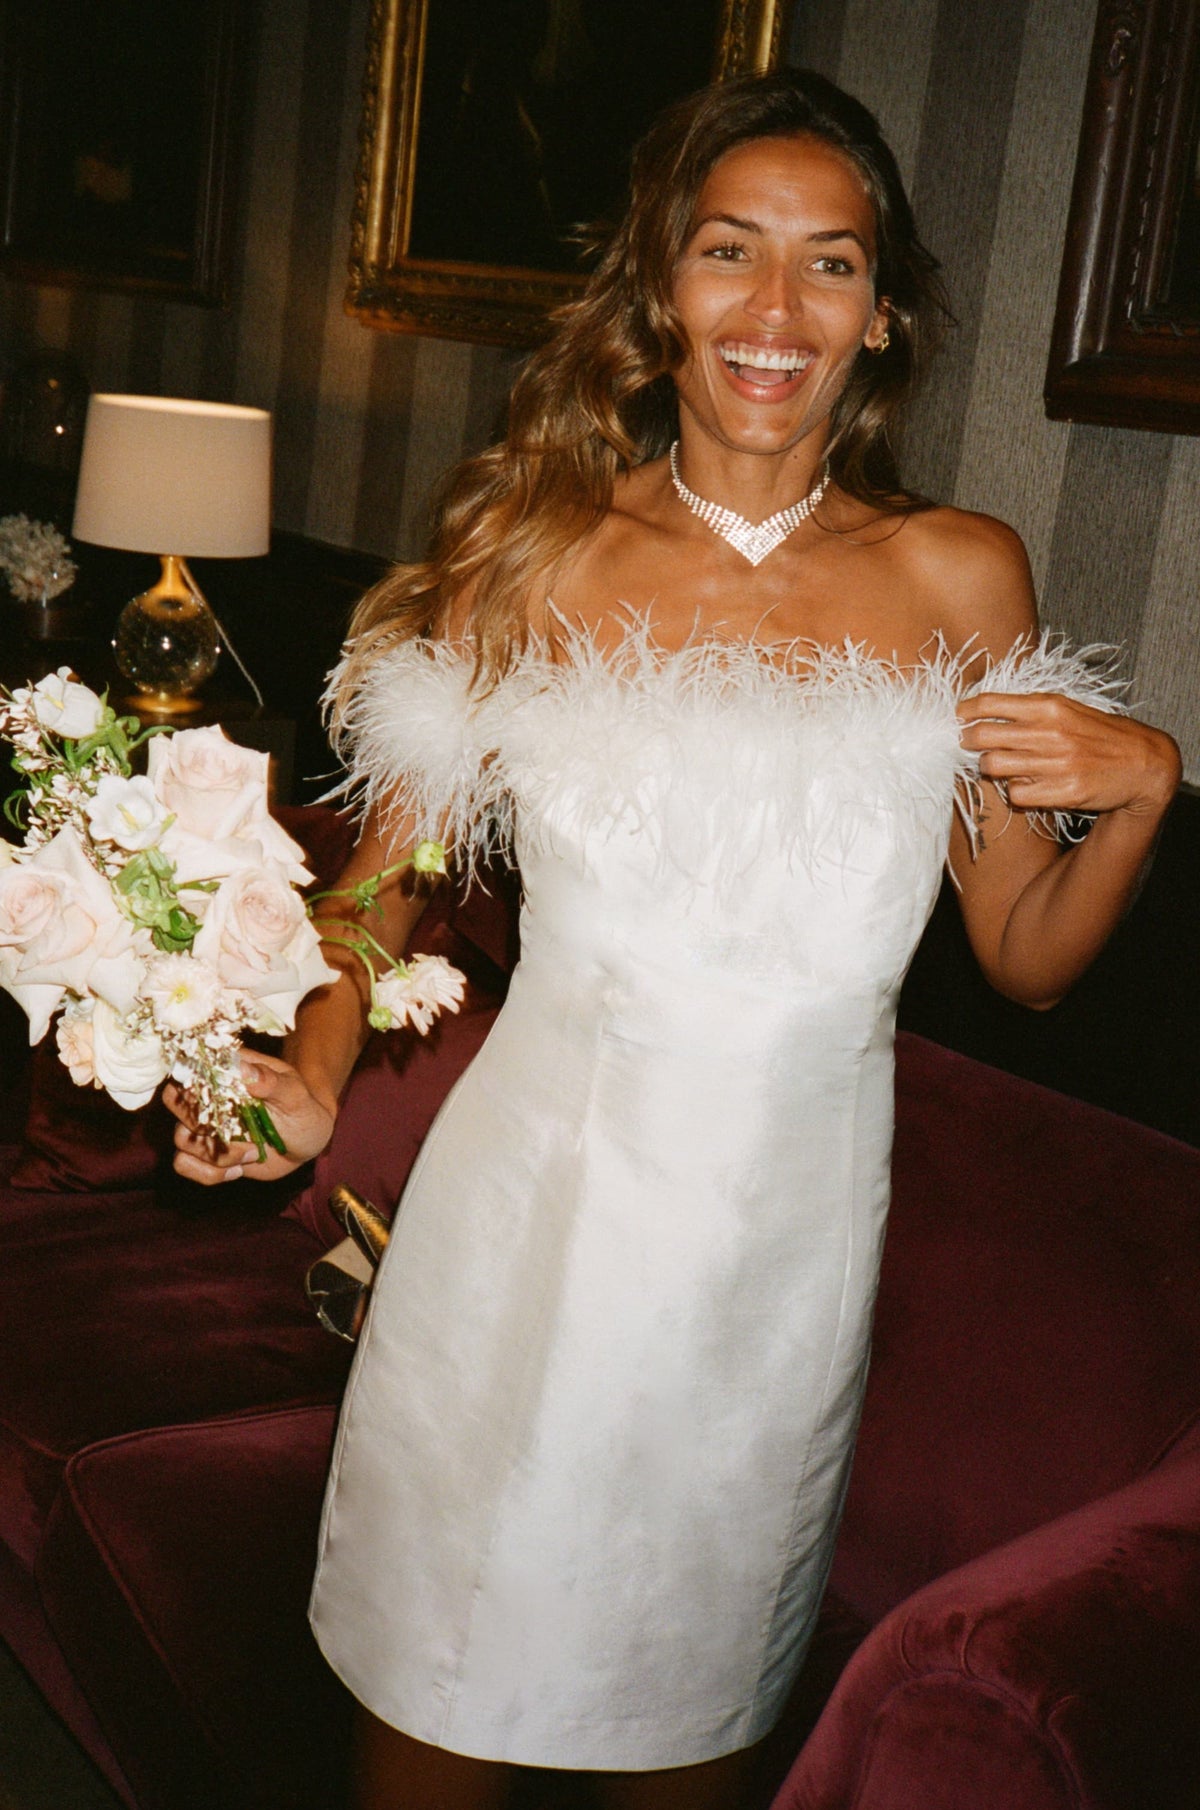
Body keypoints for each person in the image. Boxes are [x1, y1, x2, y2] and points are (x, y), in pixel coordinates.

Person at [167, 69, 1180, 1810]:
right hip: (517, 1237)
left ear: (884, 313)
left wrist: (1145, 794)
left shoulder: (964, 580)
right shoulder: (533, 554)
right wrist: (314, 1070)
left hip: (773, 1278)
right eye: (732, 253)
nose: (776, 312)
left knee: (683, 1727)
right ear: (661, 291)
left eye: (831, 265)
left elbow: (1028, 955)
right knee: (437, 1701)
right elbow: (383, 882)